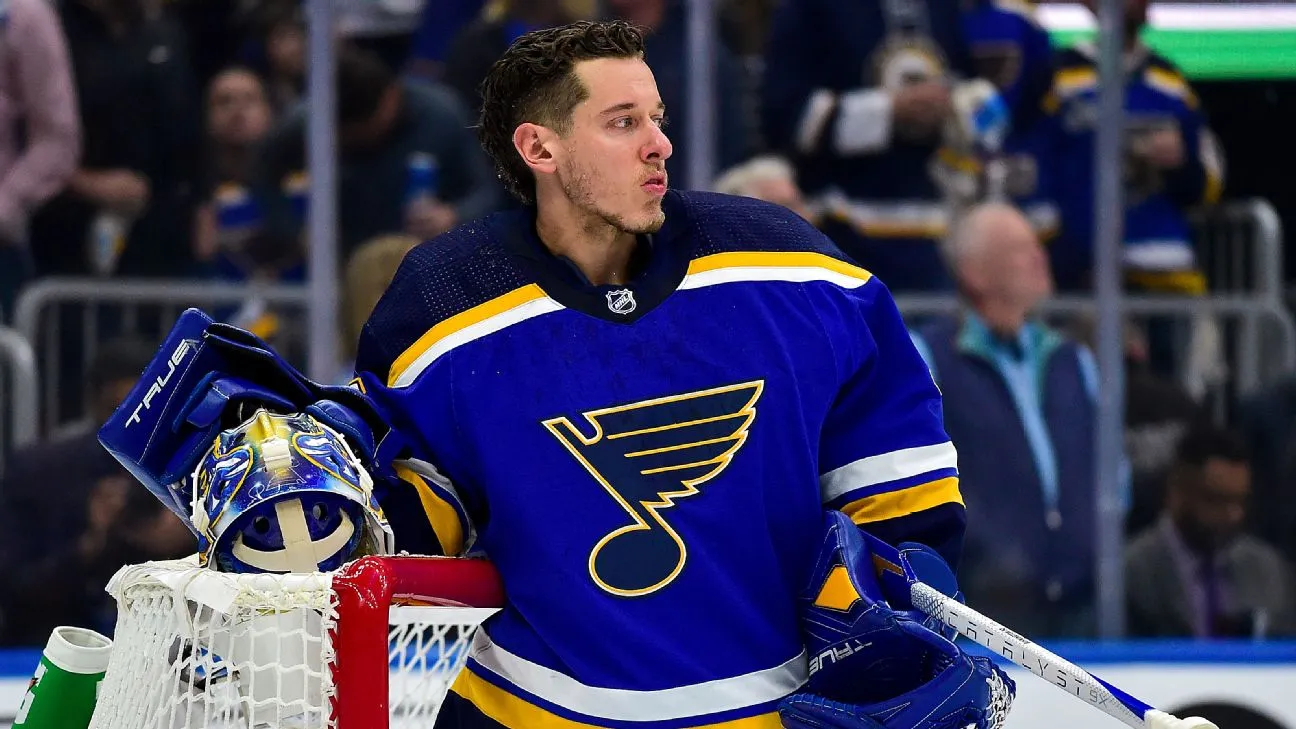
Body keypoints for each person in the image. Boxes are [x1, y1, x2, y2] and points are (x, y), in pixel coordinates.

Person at [102, 21, 1012, 729]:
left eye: (657, 118)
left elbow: (895, 474)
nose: (659, 143)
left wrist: (903, 580)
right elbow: (421, 496)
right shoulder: (443, 306)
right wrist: (329, 500)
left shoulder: (793, 271)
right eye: (623, 123)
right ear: (540, 150)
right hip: (533, 707)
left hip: (769, 704)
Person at [909, 203, 1103, 638]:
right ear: (974, 273)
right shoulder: (929, 355)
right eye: (1020, 249)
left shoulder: (1074, 359)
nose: (1039, 257)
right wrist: (986, 550)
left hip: (1080, 599)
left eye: (1038, 246)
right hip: (986, 604)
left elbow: (1109, 474)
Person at [1125, 425, 1296, 639]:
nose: (1234, 515)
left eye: (1240, 501)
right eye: (1217, 500)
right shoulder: (1132, 574)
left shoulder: (1267, 571)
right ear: (1177, 492)